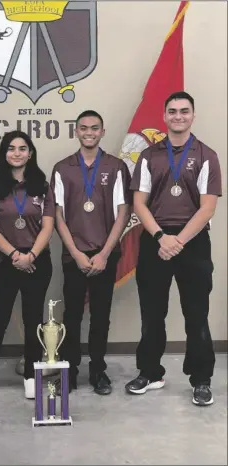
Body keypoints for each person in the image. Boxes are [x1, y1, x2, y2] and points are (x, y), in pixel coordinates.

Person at [125, 91, 222, 406]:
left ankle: (201, 379)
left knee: (197, 314)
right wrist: (160, 238)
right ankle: (150, 372)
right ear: (164, 116)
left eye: (184, 111)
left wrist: (179, 240)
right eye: (172, 111)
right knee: (152, 314)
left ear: (193, 115)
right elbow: (139, 202)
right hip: (156, 240)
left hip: (192, 242)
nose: (178, 116)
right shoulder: (150, 156)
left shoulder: (207, 155)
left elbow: (207, 208)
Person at [50, 110, 132, 395]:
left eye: (94, 128)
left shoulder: (117, 167)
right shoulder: (62, 169)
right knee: (72, 315)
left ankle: (98, 370)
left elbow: (123, 212)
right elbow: (57, 215)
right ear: (76, 132)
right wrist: (75, 253)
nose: (89, 132)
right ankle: (70, 371)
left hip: (104, 254)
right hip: (74, 255)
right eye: (83, 128)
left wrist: (105, 253)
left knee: (101, 315)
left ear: (102, 131)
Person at [0, 130, 55, 401]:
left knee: (33, 320)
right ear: (4, 153)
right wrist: (15, 256)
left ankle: (31, 376)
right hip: (5, 261)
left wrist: (30, 255)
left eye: (22, 148)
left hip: (36, 261)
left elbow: (48, 226)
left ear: (30, 153)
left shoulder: (42, 185)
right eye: (11, 148)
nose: (17, 153)